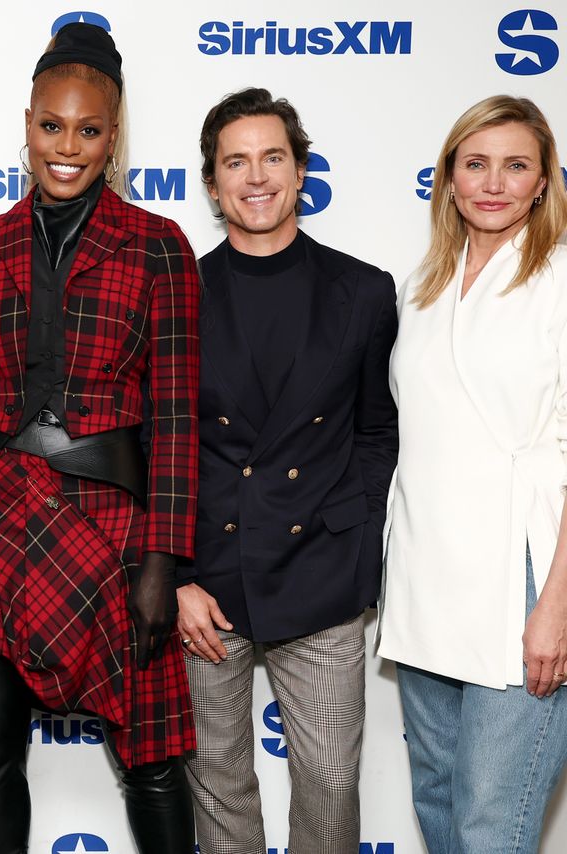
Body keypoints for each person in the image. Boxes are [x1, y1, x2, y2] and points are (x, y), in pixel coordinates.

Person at [0, 22, 200, 852]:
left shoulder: (158, 246)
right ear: (27, 124)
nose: (68, 147)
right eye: (52, 126)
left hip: (110, 530)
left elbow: (176, 416)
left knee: (152, 759)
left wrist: (161, 563)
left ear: (113, 136)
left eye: (88, 129)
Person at [174, 87, 398, 854]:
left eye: (273, 157)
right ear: (213, 184)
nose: (256, 177)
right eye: (236, 162)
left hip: (322, 573)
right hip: (208, 580)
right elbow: (157, 446)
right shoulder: (178, 293)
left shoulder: (363, 291)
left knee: (331, 783)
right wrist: (176, 577)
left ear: (301, 171)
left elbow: (376, 430)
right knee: (218, 781)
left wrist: (358, 539)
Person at [378, 95, 567, 852]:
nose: (493, 183)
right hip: (424, 577)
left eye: (515, 166)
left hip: (523, 578)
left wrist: (556, 606)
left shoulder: (559, 279)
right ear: (448, 179)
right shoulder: (423, 284)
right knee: (438, 799)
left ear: (543, 182)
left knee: (491, 823)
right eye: (476, 164)